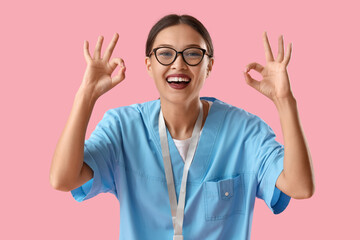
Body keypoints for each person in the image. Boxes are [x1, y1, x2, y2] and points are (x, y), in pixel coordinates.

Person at [50, 14, 315, 240]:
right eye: (165, 53)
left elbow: (300, 186)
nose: (178, 64)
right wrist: (86, 95)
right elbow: (63, 178)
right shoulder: (122, 127)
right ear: (148, 64)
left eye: (192, 54)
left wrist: (285, 101)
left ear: (209, 65)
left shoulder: (244, 132)